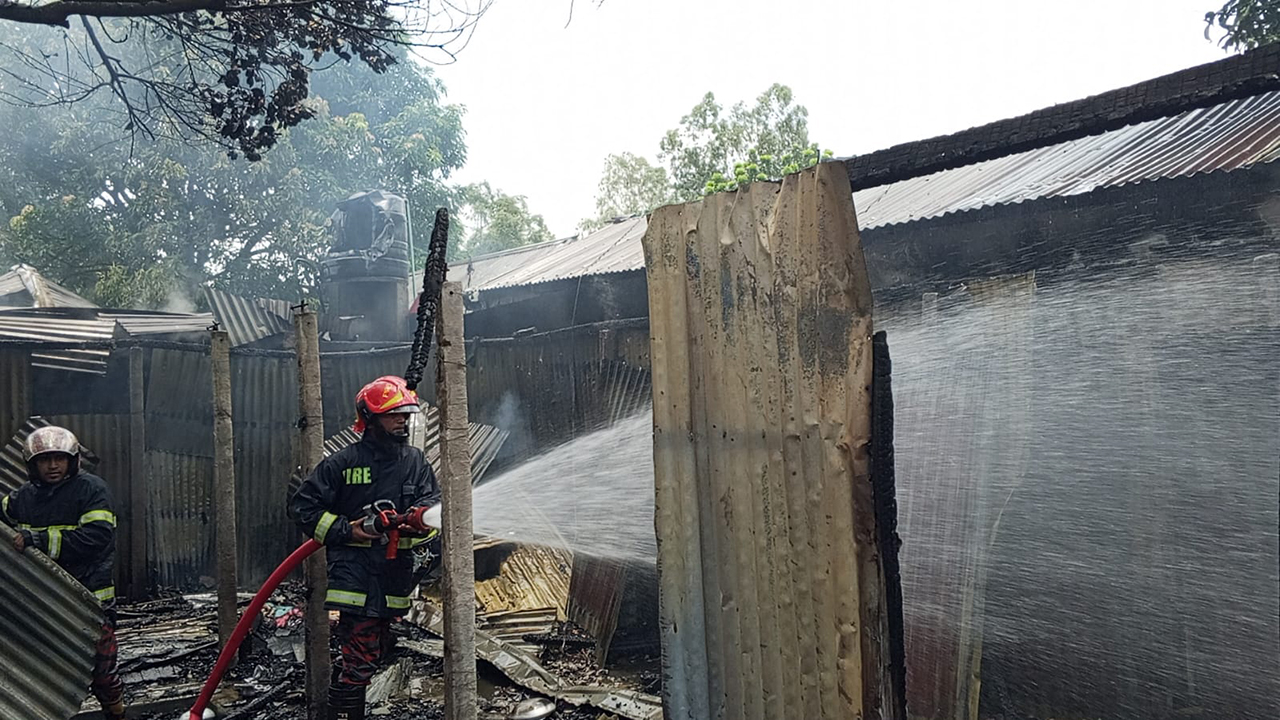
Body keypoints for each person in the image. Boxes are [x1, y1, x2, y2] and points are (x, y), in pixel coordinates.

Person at [290, 375, 441, 720]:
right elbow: (303, 508)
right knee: (359, 658)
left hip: (393, 577)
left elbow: (432, 498)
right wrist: (349, 530)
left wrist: (421, 515)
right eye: (394, 415)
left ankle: (342, 704)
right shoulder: (342, 464)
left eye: (405, 414)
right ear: (370, 418)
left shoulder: (414, 462)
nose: (403, 420)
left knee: (375, 651)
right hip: (355, 577)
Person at [0, 425, 126, 720]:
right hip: (42, 601)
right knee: (44, 670)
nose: (53, 465)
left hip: (89, 600)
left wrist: (39, 540)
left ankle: (117, 715)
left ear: (73, 460)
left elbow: (97, 536)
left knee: (101, 672)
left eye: (59, 458)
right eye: (44, 460)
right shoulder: (24, 497)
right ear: (32, 464)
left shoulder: (92, 490)